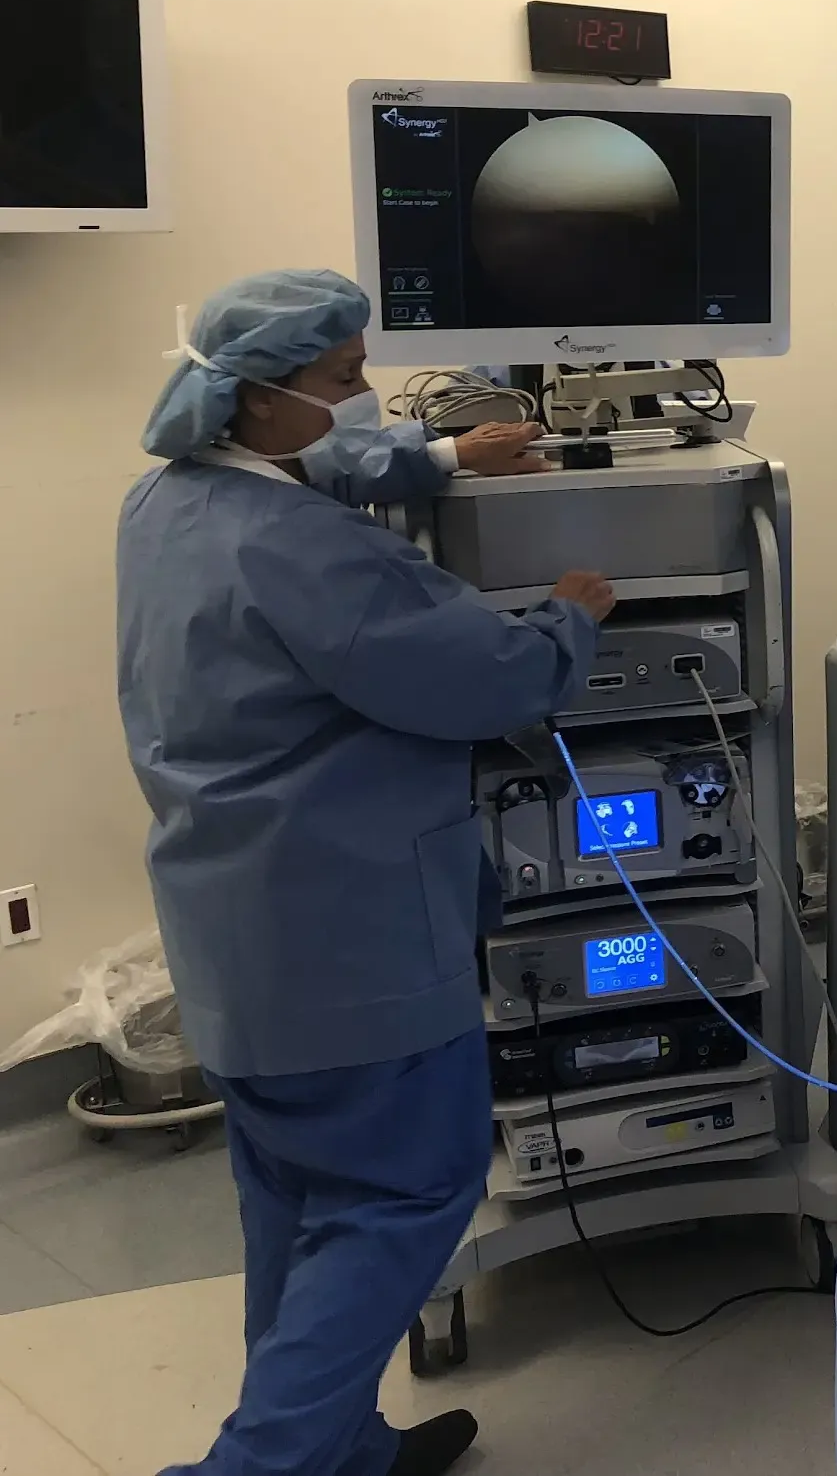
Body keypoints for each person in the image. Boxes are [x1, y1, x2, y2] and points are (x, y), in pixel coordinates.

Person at [116, 270, 617, 1476]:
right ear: (262, 395)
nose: (365, 397)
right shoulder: (311, 555)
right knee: (399, 1200)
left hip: (237, 946)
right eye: (344, 378)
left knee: (298, 1208)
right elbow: (486, 679)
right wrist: (569, 621)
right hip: (355, 956)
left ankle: (338, 1451)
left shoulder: (169, 504)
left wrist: (439, 456)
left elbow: (329, 463)